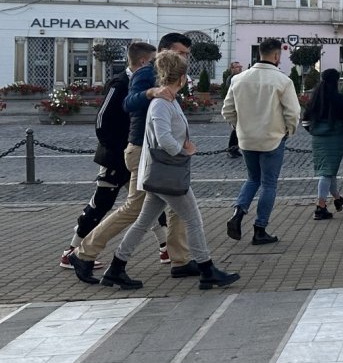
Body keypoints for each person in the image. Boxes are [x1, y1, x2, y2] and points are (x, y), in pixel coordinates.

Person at [84, 50, 238, 291]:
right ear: (181, 78)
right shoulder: (161, 103)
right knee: (193, 220)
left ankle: (116, 268)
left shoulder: (168, 100)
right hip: (166, 172)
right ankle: (207, 270)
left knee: (143, 221)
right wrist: (183, 150)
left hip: (160, 173)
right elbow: (163, 137)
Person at [70, 33, 194, 283]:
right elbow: (129, 103)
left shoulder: (170, 74)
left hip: (160, 152)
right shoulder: (147, 73)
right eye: (181, 53)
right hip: (144, 150)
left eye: (187, 55)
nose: (185, 58)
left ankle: (180, 260)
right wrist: (151, 93)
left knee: (176, 205)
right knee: (134, 208)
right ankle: (83, 254)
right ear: (165, 51)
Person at [59, 41, 160, 270]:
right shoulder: (120, 82)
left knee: (150, 201)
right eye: (153, 61)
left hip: (132, 153)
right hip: (116, 155)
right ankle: (72, 251)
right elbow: (102, 120)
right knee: (102, 203)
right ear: (143, 61)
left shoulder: (142, 81)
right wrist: (117, 149)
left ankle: (165, 248)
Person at [223, 38, 300, 246]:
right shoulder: (283, 81)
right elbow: (293, 112)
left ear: (259, 54)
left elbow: (227, 110)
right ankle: (260, 228)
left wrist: (239, 128)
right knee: (269, 183)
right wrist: (288, 132)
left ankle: (238, 213)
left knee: (252, 179)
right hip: (272, 139)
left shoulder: (238, 79)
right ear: (276, 56)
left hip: (247, 139)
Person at [301, 68, 343, 220]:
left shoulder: (316, 99)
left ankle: (337, 198)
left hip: (318, 139)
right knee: (327, 173)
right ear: (337, 81)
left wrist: (314, 132)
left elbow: (305, 121)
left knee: (329, 171)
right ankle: (320, 206)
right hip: (335, 138)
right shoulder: (341, 99)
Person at [221, 61, 244, 158]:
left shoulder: (241, 78)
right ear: (232, 69)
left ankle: (235, 149)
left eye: (240, 66)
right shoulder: (231, 79)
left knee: (238, 130)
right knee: (235, 130)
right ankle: (231, 149)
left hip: (240, 107)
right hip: (234, 107)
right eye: (237, 67)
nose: (239, 68)